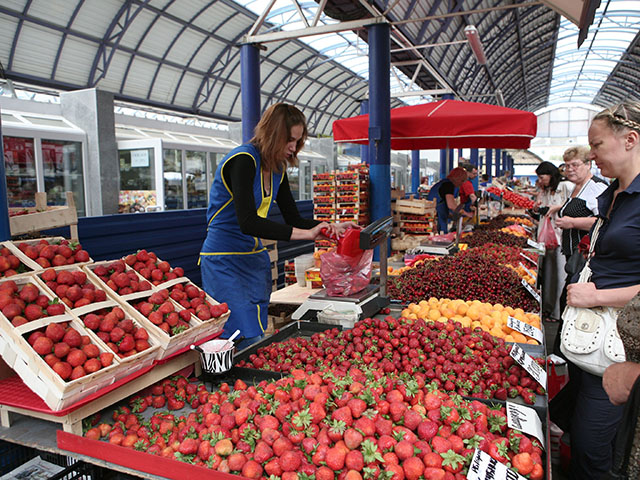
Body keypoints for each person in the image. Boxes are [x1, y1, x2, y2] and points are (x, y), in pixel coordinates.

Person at [200, 103, 355, 348]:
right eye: (289, 140)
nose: (293, 147)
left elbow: (293, 218)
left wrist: (329, 227)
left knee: (257, 331)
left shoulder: (277, 169)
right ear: (273, 135)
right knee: (243, 337)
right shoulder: (243, 161)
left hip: (253, 261)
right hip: (224, 262)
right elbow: (248, 222)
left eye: (298, 141)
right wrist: (307, 234)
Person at [565, 101, 640, 479]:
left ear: (630, 140)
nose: (591, 155)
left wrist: (595, 296)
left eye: (597, 145)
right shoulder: (612, 197)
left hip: (620, 348)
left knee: (594, 446)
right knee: (581, 436)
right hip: (590, 337)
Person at [555, 146, 608, 276]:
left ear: (588, 164)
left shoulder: (596, 187)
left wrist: (573, 222)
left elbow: (604, 221)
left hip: (586, 259)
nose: (570, 169)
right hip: (573, 256)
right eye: (567, 166)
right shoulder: (577, 187)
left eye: (575, 165)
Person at [533, 161, 573, 322]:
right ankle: (548, 308)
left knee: (559, 274)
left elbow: (573, 204)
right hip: (546, 238)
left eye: (542, 177)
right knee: (547, 274)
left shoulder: (566, 186)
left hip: (560, 237)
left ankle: (558, 312)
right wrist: (537, 207)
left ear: (550, 174)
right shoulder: (545, 190)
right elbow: (542, 206)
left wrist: (557, 208)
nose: (540, 181)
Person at [427, 167, 472, 233]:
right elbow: (451, 205)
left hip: (437, 216)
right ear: (456, 178)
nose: (462, 184)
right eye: (462, 181)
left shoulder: (444, 183)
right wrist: (467, 214)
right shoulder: (448, 185)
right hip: (436, 218)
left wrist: (452, 215)